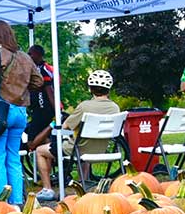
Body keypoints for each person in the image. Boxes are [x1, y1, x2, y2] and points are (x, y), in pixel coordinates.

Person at [0, 20, 44, 205]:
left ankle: (1, 205)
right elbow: (38, 81)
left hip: (0, 112)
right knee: (13, 158)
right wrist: (21, 89)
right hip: (20, 112)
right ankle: (16, 203)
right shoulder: (24, 56)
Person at [34, 70, 121, 201]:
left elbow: (65, 126)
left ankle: (47, 189)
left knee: (40, 151)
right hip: (101, 150)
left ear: (90, 88)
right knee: (85, 146)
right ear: (109, 89)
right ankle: (82, 184)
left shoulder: (85, 106)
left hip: (79, 150)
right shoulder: (115, 108)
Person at [24, 44, 55, 154]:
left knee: (31, 144)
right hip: (37, 110)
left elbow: (49, 91)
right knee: (44, 141)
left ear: (38, 55)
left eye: (30, 54)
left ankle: (52, 126)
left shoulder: (42, 71)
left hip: (42, 110)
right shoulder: (35, 69)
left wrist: (57, 111)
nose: (28, 56)